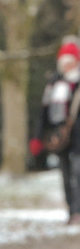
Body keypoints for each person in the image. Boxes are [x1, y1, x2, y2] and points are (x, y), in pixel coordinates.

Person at [29, 37, 80, 225]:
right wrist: (37, 137)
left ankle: (78, 211)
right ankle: (72, 211)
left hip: (79, 137)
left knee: (78, 172)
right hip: (61, 139)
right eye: (64, 62)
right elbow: (44, 113)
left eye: (71, 62)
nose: (67, 66)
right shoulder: (54, 84)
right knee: (66, 176)